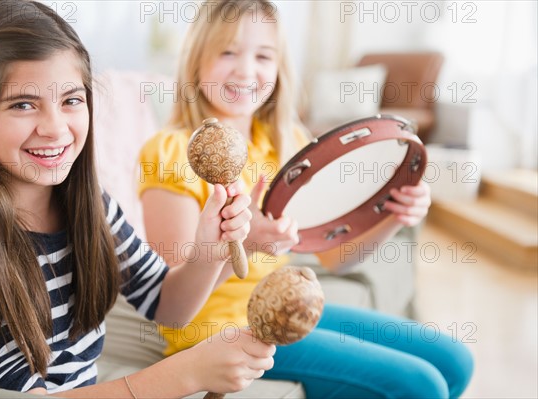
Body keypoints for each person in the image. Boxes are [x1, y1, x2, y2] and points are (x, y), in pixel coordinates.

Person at [0, 1, 278, 397]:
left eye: (71, 100)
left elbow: (168, 305)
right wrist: (187, 373)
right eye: (23, 104)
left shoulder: (89, 204)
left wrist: (207, 251)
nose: (55, 128)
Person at [138, 0, 474, 398]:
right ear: (196, 61)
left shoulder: (286, 143)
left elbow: (335, 257)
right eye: (228, 52)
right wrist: (246, 245)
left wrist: (394, 217)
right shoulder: (171, 150)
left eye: (264, 55)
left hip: (281, 306)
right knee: (420, 386)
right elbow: (172, 303)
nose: (246, 70)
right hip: (216, 331)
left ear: (279, 70)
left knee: (454, 360)